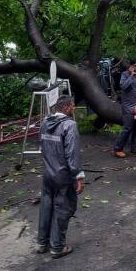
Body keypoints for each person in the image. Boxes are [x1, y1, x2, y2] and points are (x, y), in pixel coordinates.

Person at [37, 95, 85, 259]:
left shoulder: (44, 123)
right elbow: (72, 154)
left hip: (48, 173)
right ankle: (57, 247)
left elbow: (42, 147)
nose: (73, 108)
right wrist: (78, 175)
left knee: (46, 207)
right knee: (63, 208)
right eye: (72, 106)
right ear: (66, 107)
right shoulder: (69, 125)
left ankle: (42, 242)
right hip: (63, 176)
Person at [113, 60, 136, 158]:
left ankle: (135, 149)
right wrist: (131, 75)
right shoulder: (125, 75)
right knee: (127, 128)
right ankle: (118, 148)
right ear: (131, 66)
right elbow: (123, 86)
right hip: (129, 107)